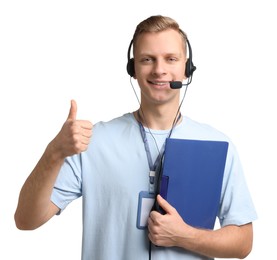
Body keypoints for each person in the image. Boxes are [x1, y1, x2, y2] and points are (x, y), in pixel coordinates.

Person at [14, 15, 257, 260]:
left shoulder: (217, 145)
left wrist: (184, 236)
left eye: (170, 59)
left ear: (187, 67)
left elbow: (243, 242)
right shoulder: (94, 141)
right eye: (147, 59)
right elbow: (26, 219)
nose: (159, 70)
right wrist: (54, 152)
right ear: (133, 69)